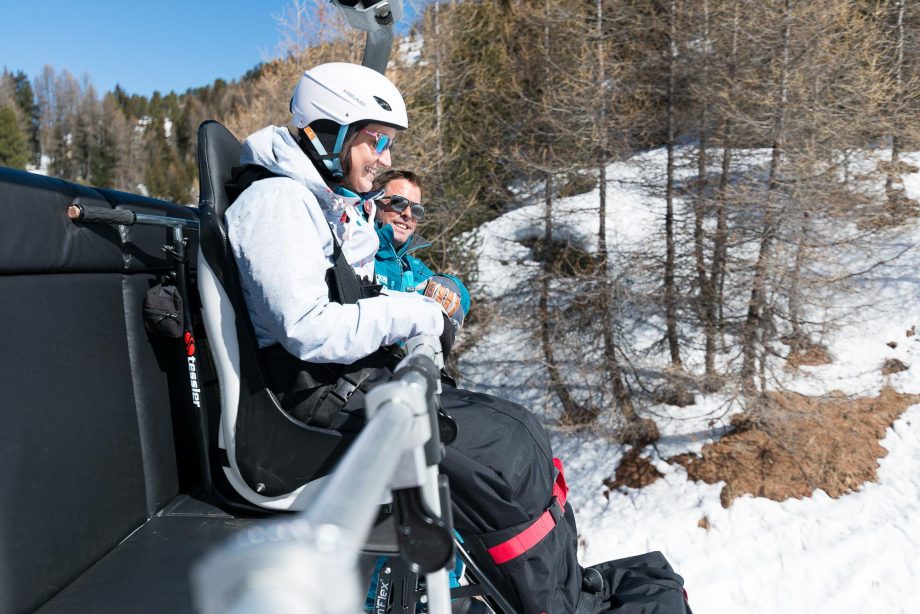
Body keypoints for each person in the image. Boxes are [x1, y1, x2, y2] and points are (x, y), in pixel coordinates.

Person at [224, 62, 690, 613]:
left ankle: (561, 591)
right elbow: (306, 327)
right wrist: (414, 316)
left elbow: (356, 290)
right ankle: (550, 601)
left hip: (348, 387)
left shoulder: (315, 201)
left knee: (522, 431)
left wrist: (417, 303)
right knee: (504, 456)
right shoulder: (276, 202)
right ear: (331, 130)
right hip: (313, 405)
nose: (386, 158)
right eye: (377, 140)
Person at [366, 169, 470, 332]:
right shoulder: (356, 250)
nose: (408, 214)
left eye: (416, 210)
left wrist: (450, 286)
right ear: (371, 203)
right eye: (398, 202)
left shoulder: (410, 267)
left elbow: (463, 299)